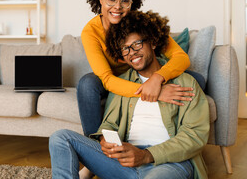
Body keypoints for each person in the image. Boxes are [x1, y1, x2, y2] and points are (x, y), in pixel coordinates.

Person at [49, 10, 210, 179]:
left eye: (137, 44)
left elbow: (195, 136)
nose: (131, 52)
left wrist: (146, 155)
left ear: (153, 42)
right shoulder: (122, 84)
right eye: (125, 49)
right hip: (123, 162)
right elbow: (109, 124)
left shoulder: (185, 83)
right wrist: (105, 140)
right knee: (60, 138)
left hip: (168, 163)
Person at [78, 0, 204, 138]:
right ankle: (94, 147)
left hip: (147, 72)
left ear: (132, 1)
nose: (117, 7)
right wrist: (154, 92)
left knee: (197, 80)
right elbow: (107, 79)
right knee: (87, 83)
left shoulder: (141, 23)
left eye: (125, 1)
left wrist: (158, 79)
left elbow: (181, 57)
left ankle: (176, 137)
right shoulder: (90, 32)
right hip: (116, 78)